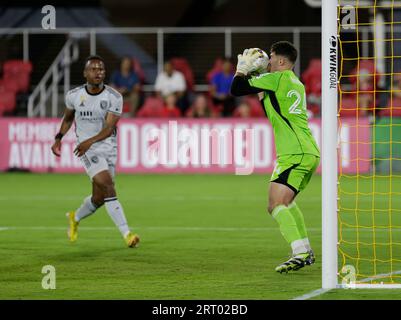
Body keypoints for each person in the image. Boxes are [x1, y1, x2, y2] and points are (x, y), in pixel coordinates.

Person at [231, 42, 320, 273]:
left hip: (295, 153)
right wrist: (259, 74)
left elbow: (236, 89)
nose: (268, 61)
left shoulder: (278, 79)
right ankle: (304, 250)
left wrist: (242, 69)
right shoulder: (294, 82)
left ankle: (300, 252)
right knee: (286, 202)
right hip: (304, 151)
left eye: (271, 57)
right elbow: (270, 105)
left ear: (281, 61)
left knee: (275, 204)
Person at [51, 55, 140, 248]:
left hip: (106, 148)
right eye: (93, 69)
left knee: (99, 198)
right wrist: (59, 137)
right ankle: (127, 234)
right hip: (88, 151)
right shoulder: (74, 95)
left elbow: (108, 129)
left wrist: (89, 142)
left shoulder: (114, 97)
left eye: (101, 69)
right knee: (109, 188)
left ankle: (75, 217)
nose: (98, 72)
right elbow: (68, 119)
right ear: (85, 73)